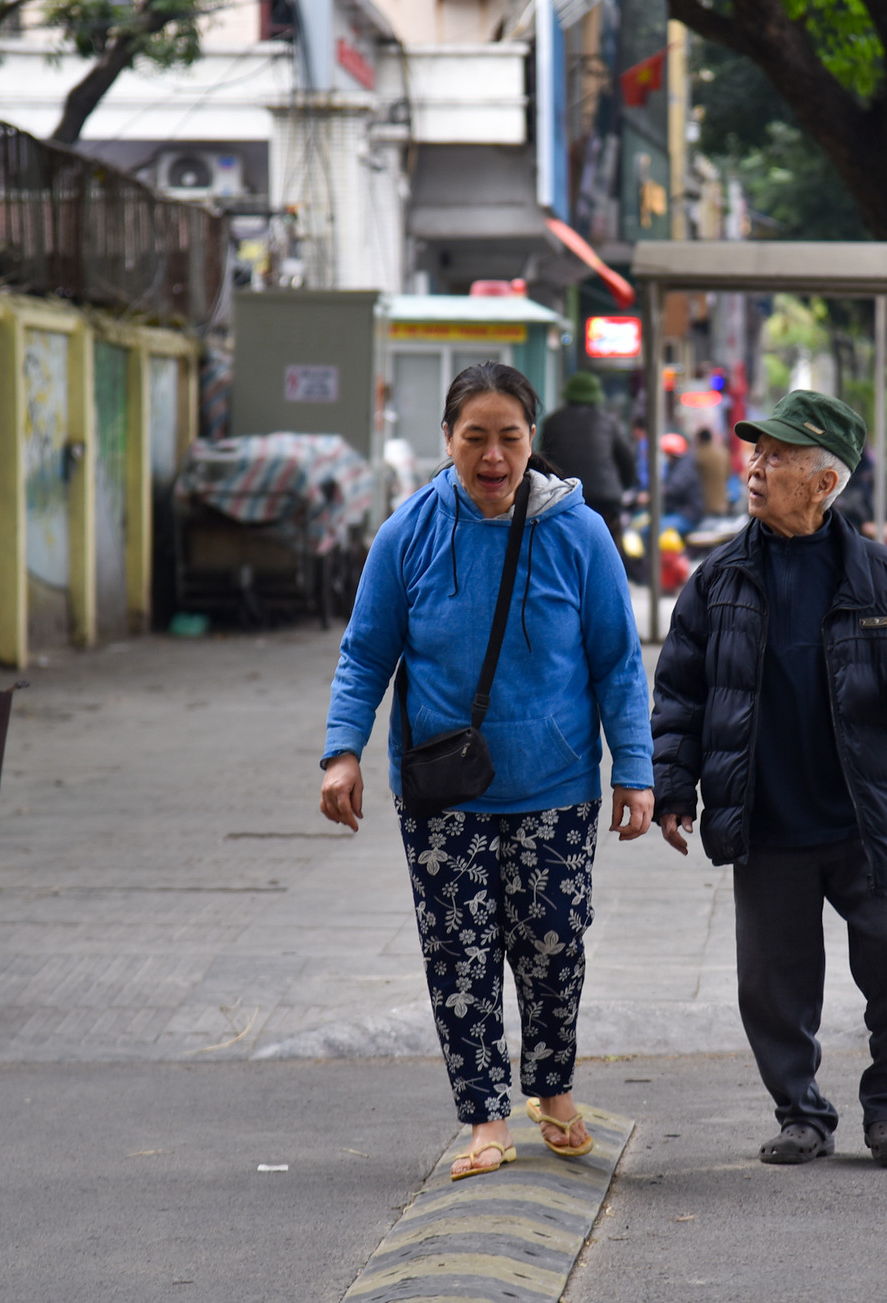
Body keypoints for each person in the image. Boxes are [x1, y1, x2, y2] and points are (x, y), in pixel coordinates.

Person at [320, 362, 655, 1180]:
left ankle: (553, 1089)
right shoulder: (410, 531)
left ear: (532, 441)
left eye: (510, 437)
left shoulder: (580, 535)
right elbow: (366, 652)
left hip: (556, 785)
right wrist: (340, 751)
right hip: (444, 792)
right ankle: (484, 1117)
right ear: (448, 441)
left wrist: (635, 771)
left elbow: (618, 662)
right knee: (458, 954)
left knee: (553, 945)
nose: (494, 456)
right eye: (476, 438)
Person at [650, 389, 887, 1168]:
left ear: (825, 483)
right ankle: (801, 1111)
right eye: (757, 453)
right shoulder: (718, 580)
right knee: (770, 981)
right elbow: (680, 690)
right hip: (769, 817)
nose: (756, 468)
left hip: (868, 819)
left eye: (778, 456)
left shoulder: (884, 580)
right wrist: (671, 789)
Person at [537, 370, 636, 547]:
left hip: (566, 501)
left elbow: (544, 464)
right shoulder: (609, 422)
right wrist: (624, 487)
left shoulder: (552, 422)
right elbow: (627, 462)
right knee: (607, 551)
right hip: (606, 504)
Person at [660, 432, 705, 536]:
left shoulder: (685, 468)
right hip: (679, 512)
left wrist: (656, 494)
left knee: (653, 529)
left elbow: (674, 488)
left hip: (687, 515)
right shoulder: (678, 466)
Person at [692, 426, 731, 517]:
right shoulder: (723, 452)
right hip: (722, 503)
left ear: (700, 440)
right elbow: (728, 474)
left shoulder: (699, 455)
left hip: (706, 505)